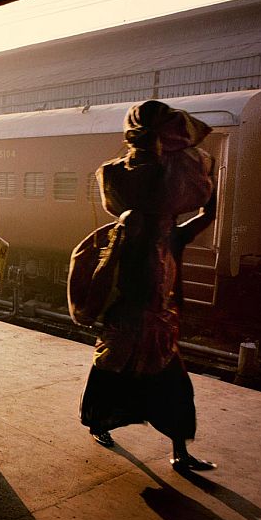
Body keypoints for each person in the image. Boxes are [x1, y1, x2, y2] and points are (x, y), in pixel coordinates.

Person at [79, 100, 216, 473]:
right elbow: (206, 211)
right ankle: (104, 426)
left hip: (148, 329)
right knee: (119, 383)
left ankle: (176, 451)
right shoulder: (148, 233)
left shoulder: (141, 231)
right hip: (132, 328)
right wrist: (209, 173)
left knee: (167, 390)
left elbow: (204, 211)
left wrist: (209, 173)